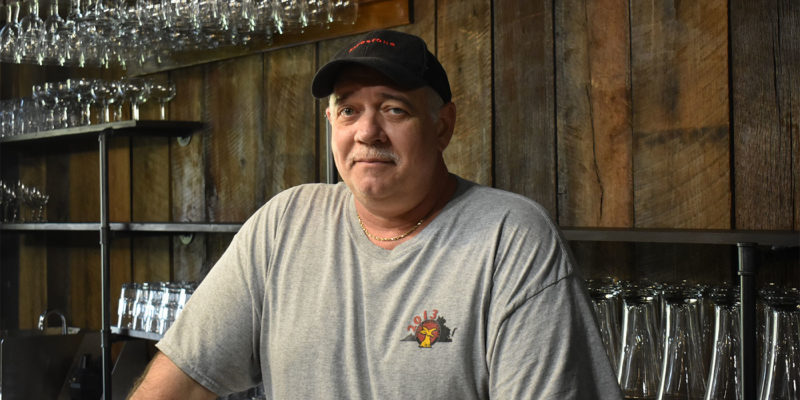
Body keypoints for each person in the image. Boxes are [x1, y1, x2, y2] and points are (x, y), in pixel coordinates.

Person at [128, 29, 622, 399]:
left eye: (393, 109)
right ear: (330, 123)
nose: (367, 132)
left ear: (443, 126)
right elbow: (181, 383)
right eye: (348, 110)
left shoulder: (509, 238)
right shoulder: (285, 224)